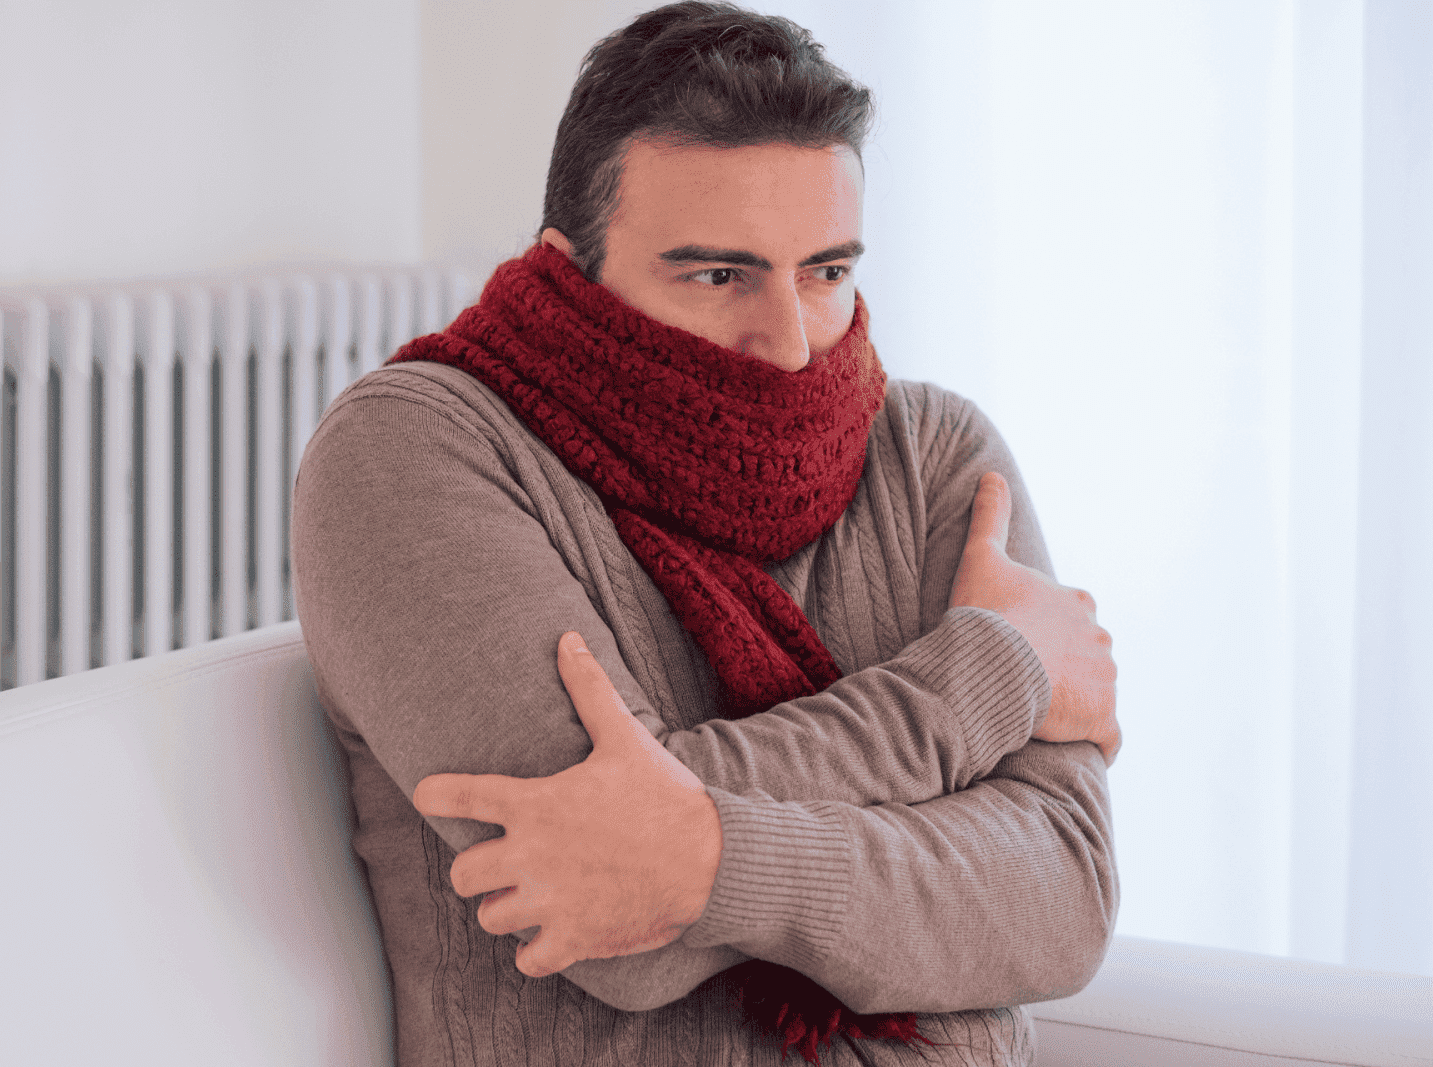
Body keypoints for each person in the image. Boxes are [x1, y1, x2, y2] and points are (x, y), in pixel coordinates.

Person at [291, 3, 1119, 1064]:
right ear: (566, 267)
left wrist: (707, 855)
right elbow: (611, 928)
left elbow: (1061, 897)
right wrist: (984, 676)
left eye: (825, 271)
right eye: (718, 274)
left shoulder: (938, 454)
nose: (786, 346)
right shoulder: (414, 453)